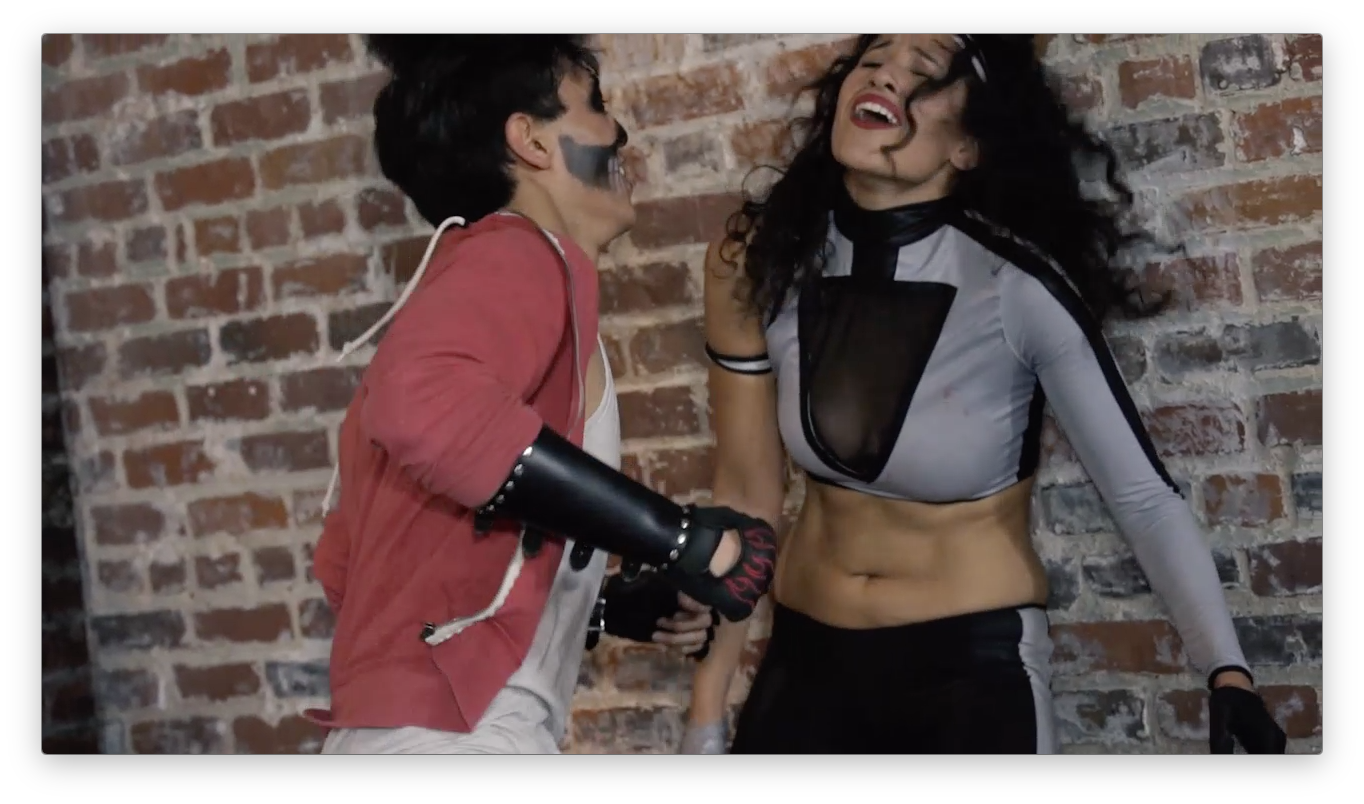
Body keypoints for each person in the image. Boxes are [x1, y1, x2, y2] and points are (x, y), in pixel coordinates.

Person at [680, 34, 1289, 755]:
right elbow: (746, 497)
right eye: (872, 62)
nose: (885, 77)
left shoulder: (1015, 288)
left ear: (967, 146)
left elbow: (1143, 498)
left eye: (923, 72)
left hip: (969, 675)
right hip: (805, 666)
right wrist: (706, 711)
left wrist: (1227, 672)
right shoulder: (760, 264)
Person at [302, 34, 778, 755]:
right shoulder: (520, 250)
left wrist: (597, 608)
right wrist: (688, 542)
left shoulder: (480, 277)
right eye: (596, 106)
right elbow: (422, 407)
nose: (618, 132)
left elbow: (366, 569)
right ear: (529, 141)